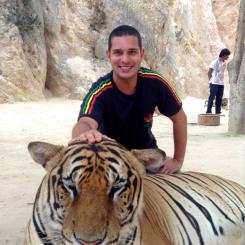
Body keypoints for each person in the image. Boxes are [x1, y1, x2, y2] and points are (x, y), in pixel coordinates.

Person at [70, 25, 187, 174]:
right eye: (118, 53)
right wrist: (85, 134)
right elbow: (85, 122)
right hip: (110, 160)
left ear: (141, 54)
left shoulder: (155, 82)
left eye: (132, 52)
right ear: (108, 55)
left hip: (147, 157)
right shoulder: (100, 91)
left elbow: (180, 118)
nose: (125, 59)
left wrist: (177, 161)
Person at [206, 48, 231, 114]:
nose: (228, 57)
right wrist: (210, 81)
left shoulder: (224, 63)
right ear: (224, 55)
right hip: (214, 83)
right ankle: (208, 111)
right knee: (212, 97)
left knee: (219, 98)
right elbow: (209, 72)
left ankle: (218, 111)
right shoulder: (214, 62)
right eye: (227, 55)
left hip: (221, 83)